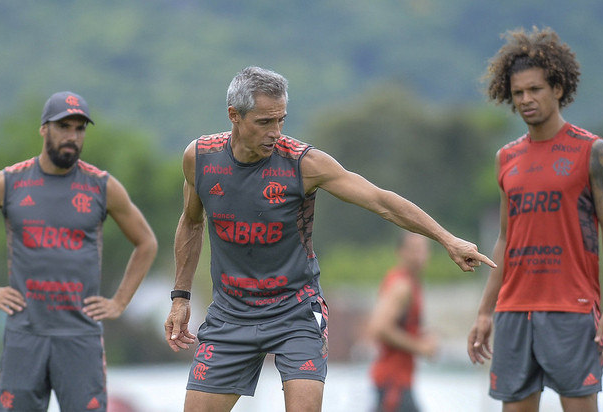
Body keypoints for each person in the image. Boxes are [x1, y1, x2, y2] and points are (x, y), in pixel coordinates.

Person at [164, 66, 496, 412]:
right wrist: (180, 297)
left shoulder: (303, 163)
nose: (275, 132)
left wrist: (446, 238)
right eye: (264, 122)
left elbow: (380, 201)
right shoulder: (200, 158)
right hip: (231, 314)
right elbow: (190, 223)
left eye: (281, 120)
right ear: (234, 115)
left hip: (295, 311)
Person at [0, 91, 158, 411]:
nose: (72, 136)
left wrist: (119, 301)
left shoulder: (101, 185)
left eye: (79, 129)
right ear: (44, 129)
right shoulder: (9, 182)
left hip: (80, 337)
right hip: (26, 335)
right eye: (63, 126)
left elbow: (146, 242)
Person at [466, 27, 603, 412]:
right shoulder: (506, 158)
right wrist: (486, 311)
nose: (526, 99)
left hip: (572, 309)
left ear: (558, 88)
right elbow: (505, 240)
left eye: (535, 89)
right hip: (514, 312)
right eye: (518, 92)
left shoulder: (592, 151)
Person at [367, 231, 438, 412]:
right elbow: (379, 328)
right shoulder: (402, 286)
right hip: (393, 380)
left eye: (423, 250)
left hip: (396, 381)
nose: (419, 256)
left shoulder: (411, 283)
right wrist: (420, 346)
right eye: (414, 250)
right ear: (401, 252)